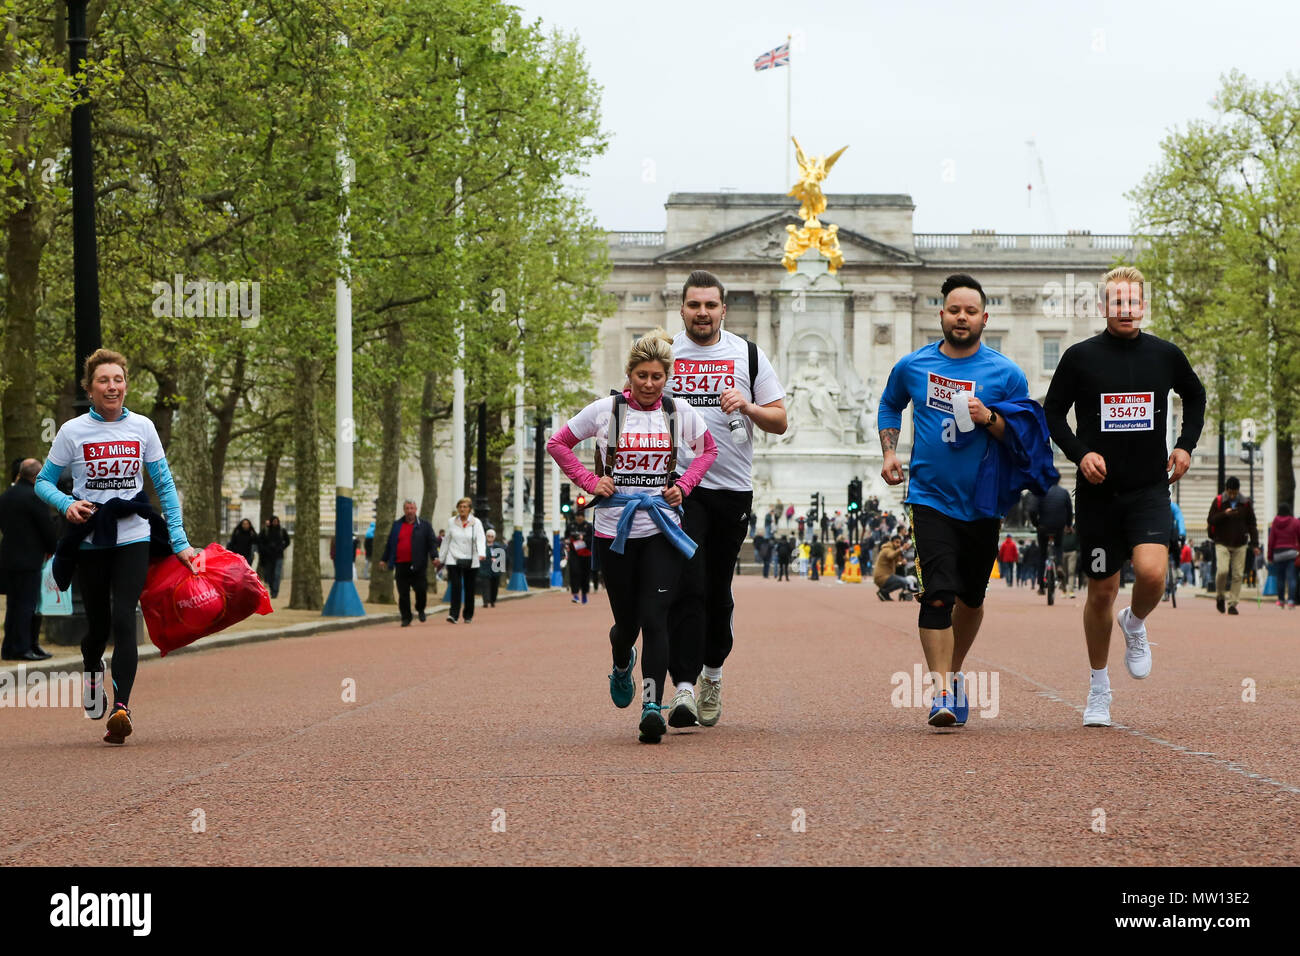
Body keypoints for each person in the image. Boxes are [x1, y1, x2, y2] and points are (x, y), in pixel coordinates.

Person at [879, 273, 1050, 728]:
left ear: (984, 318)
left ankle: (954, 674)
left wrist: (989, 417)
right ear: (941, 314)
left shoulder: (1006, 373)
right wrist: (890, 450)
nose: (961, 317)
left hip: (983, 502)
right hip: (929, 498)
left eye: (970, 311)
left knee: (971, 599)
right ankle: (938, 692)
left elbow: (1025, 436)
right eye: (954, 310)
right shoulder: (913, 366)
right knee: (936, 595)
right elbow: (889, 404)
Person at [1044, 266, 1206, 728]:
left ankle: (1134, 623)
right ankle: (1099, 690)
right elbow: (1052, 412)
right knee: (1101, 592)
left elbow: (1195, 397)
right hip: (1098, 495)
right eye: (1117, 303)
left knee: (1154, 576)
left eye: (1133, 302)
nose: (1126, 310)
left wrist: (1185, 445)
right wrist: (1080, 452)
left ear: (1143, 306)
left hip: (1149, 489)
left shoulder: (1164, 355)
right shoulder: (1079, 357)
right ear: (1103, 307)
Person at [547, 328, 717, 743]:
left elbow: (709, 450)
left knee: (656, 616)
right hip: (614, 531)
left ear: (666, 377)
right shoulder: (606, 411)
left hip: (661, 528)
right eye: (642, 375)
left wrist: (686, 485)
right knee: (626, 623)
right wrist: (590, 481)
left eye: (657, 376)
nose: (648, 384)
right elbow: (558, 443)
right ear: (630, 375)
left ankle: (652, 707)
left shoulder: (678, 413)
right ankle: (622, 660)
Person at [35, 349, 198, 744]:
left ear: (126, 385)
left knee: (125, 616)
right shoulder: (72, 432)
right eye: (104, 380)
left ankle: (121, 707)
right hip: (91, 539)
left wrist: (180, 542)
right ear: (90, 389)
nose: (112, 386)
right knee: (98, 626)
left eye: (118, 379)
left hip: (133, 535)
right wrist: (68, 504)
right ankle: (93, 669)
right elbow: (43, 482)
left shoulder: (142, 427)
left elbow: (164, 485)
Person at [664, 270, 787, 730]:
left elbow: (779, 421)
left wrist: (748, 406)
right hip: (680, 488)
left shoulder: (748, 354)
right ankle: (683, 688)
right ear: (682, 308)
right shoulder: (665, 352)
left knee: (717, 589)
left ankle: (713, 672)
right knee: (686, 585)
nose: (702, 313)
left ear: (723, 309)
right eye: (694, 305)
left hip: (732, 488)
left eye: (710, 305)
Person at [0, 458, 57, 660]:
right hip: (30, 558)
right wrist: (52, 548)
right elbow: (47, 527)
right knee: (28, 605)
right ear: (36, 476)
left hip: (8, 557)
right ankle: (24, 647)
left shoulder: (6, 495)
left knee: (14, 605)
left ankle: (9, 647)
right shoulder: (35, 496)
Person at [1207, 476, 1259, 615]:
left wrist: (1255, 544)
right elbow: (1211, 519)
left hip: (1240, 543)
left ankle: (1232, 604)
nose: (1232, 495)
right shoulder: (1219, 501)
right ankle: (1220, 596)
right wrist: (1224, 514)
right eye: (1230, 492)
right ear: (1226, 490)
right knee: (1222, 571)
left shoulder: (1245, 503)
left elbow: (1252, 524)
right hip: (1221, 542)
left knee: (1237, 575)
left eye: (1234, 492)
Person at [378, 499, 435, 626]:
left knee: (421, 590)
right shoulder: (397, 525)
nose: (409, 511)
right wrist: (384, 559)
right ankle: (406, 617)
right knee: (403, 593)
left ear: (416, 509)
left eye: (412, 508)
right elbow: (390, 544)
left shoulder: (425, 525)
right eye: (407, 508)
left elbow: (431, 543)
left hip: (418, 564)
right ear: (404, 510)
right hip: (401, 564)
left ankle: (420, 609)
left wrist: (434, 557)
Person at [437, 497, 487, 624]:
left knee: (470, 588)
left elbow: (481, 539)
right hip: (454, 557)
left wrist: (481, 553)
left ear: (470, 509)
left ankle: (468, 614)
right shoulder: (451, 522)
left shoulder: (476, 523)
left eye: (465, 507)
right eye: (460, 507)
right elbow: (446, 540)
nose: (462, 509)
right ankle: (453, 614)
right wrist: (441, 558)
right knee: (456, 586)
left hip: (471, 559)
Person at [1028, 482, 1072, 594]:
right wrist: (1068, 525)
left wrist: (1036, 524)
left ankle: (1041, 586)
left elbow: (1032, 510)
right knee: (1058, 547)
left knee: (1042, 554)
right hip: (1058, 527)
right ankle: (1058, 565)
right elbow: (1069, 510)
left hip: (1043, 527)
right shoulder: (1063, 492)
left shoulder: (1040, 491)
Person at [1265, 503, 1298, 608]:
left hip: (1278, 554)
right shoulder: (1295, 522)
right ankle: (1291, 600)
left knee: (1280, 578)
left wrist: (1270, 556)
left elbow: (1271, 540)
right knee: (1292, 578)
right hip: (1291, 553)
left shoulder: (1275, 522)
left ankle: (1281, 600)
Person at [256, 516, 290, 599]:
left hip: (279, 556)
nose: (275, 523)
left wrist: (281, 547)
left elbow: (287, 541)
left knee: (277, 574)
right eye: (274, 521)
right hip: (268, 557)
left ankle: (275, 591)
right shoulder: (266, 531)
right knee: (269, 574)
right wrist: (265, 549)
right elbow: (260, 542)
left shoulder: (282, 531)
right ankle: (272, 589)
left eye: (276, 521)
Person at [566, 511, 594, 604]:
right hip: (574, 553)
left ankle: (584, 594)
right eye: (577, 516)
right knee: (574, 572)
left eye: (581, 516)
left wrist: (583, 539)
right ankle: (575, 594)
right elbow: (566, 537)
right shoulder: (570, 526)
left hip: (586, 554)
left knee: (585, 574)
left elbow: (592, 539)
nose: (579, 518)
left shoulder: (589, 526)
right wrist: (567, 542)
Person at [873, 534, 910, 601]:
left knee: (902, 580)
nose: (898, 544)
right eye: (897, 542)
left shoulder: (892, 550)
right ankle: (884, 592)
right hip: (882, 577)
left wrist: (902, 563)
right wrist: (902, 549)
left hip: (884, 577)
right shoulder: (887, 549)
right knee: (904, 581)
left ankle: (884, 594)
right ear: (892, 542)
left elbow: (896, 563)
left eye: (899, 543)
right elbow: (891, 556)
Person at [483, 528, 506, 608]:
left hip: (495, 570)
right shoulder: (482, 546)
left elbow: (502, 558)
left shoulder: (498, 546)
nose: (490, 537)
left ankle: (493, 601)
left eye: (492, 536)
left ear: (494, 537)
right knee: (485, 585)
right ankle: (485, 601)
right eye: (488, 536)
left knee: (494, 586)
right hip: (485, 569)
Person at [1061, 524, 1081, 597]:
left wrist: (1077, 551)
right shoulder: (1061, 534)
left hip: (1072, 553)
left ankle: (1071, 591)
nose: (1068, 528)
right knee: (1063, 573)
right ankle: (1063, 590)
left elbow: (1079, 542)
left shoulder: (1075, 534)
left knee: (1071, 572)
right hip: (1062, 553)